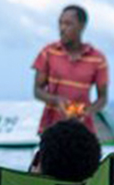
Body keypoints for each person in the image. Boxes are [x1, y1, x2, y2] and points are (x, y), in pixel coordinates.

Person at [32, 5, 109, 136]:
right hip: (51, 129)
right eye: (60, 23)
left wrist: (87, 111)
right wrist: (56, 100)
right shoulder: (48, 52)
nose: (62, 28)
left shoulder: (97, 59)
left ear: (82, 26)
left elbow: (102, 98)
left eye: (68, 24)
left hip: (83, 130)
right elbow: (37, 91)